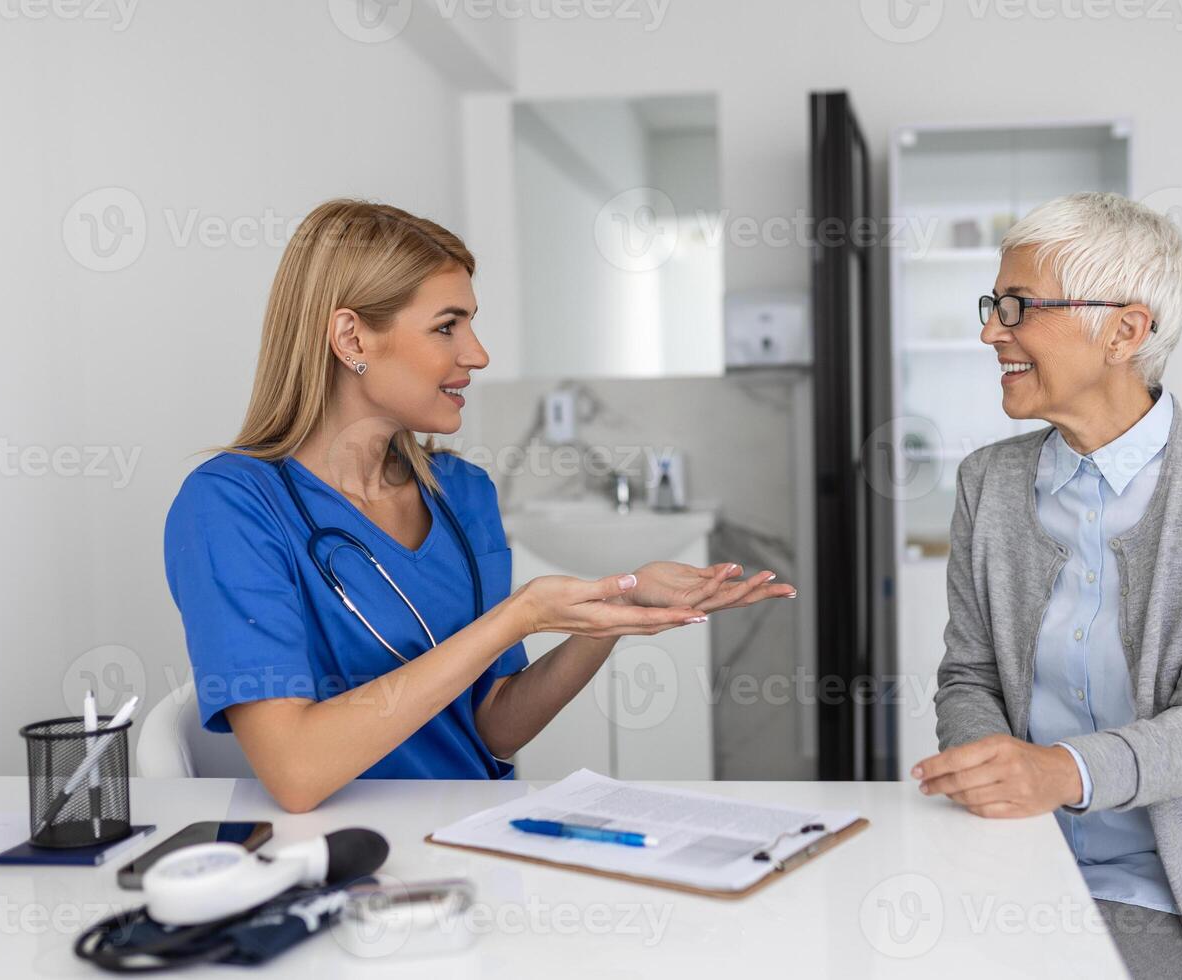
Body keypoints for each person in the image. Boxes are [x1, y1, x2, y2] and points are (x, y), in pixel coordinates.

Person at [163, 199, 795, 813]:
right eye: (447, 326)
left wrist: (612, 613)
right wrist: (517, 617)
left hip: (477, 838)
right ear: (351, 335)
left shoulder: (462, 492)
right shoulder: (231, 505)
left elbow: (492, 728)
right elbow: (296, 773)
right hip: (349, 858)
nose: (478, 353)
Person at [913, 192, 1182, 980]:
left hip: (1177, 894)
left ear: (1126, 331)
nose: (992, 330)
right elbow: (970, 675)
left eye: (1019, 306)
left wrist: (1059, 773)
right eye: (995, 304)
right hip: (1013, 859)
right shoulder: (986, 483)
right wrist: (991, 767)